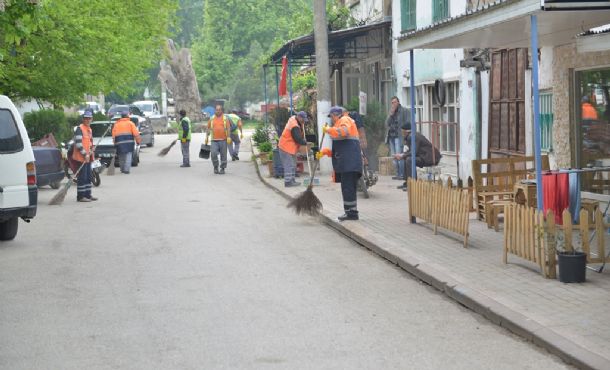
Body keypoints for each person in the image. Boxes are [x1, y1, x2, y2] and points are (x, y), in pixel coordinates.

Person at [317, 106, 362, 221]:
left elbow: (344, 132)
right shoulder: (339, 123)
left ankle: (351, 214)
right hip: (347, 162)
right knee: (347, 188)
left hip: (349, 163)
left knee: (348, 188)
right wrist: (326, 152)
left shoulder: (345, 120)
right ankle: (350, 212)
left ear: (336, 115)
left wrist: (328, 130)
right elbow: (341, 149)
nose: (331, 119)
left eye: (331, 116)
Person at [72, 110, 97, 202]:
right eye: (86, 118)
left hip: (87, 158)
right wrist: (85, 154)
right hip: (81, 158)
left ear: (91, 119)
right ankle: (81, 196)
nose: (87, 120)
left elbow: (89, 142)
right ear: (83, 119)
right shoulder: (80, 129)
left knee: (88, 176)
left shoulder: (89, 129)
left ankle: (88, 195)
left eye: (89, 118)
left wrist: (91, 149)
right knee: (82, 177)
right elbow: (78, 144)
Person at [278, 111, 308, 187]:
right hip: (286, 147)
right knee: (289, 165)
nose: (304, 121)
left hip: (290, 147)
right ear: (299, 117)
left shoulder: (295, 121)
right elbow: (297, 138)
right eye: (303, 119)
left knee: (293, 164)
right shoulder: (294, 125)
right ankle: (288, 181)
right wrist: (305, 142)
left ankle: (292, 180)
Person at [386, 96, 409, 180]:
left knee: (399, 155)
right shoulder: (391, 112)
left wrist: (406, 136)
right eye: (392, 102)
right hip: (391, 137)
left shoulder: (404, 111)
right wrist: (390, 115)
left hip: (399, 137)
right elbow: (387, 123)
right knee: (394, 157)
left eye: (394, 102)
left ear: (398, 102)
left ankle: (402, 174)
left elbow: (407, 123)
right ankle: (398, 173)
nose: (393, 104)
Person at [112, 110, 141, 174]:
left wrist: (114, 143)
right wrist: (138, 141)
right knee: (128, 155)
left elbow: (113, 135)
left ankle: (122, 169)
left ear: (121, 116)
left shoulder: (116, 124)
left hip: (119, 143)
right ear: (127, 116)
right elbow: (136, 134)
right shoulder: (130, 123)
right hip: (129, 142)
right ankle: (126, 169)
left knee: (121, 156)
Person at [207, 104, 231, 174]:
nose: (217, 111)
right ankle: (215, 167)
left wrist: (229, 137)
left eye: (219, 110)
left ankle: (222, 168)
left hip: (223, 139)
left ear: (221, 110)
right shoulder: (212, 118)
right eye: (216, 110)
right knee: (213, 154)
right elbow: (208, 127)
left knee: (223, 155)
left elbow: (228, 128)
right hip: (214, 140)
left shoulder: (225, 118)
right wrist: (207, 135)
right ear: (215, 110)